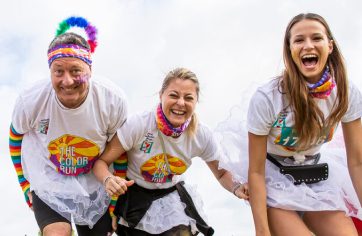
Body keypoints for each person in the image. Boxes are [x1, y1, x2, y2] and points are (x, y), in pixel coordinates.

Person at [93, 67, 249, 236]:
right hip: (133, 197)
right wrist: (108, 179)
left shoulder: (201, 134)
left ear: (196, 101)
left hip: (171, 198)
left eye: (188, 98)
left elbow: (222, 174)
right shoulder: (139, 124)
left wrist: (237, 187)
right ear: (161, 95)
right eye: (174, 95)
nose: (180, 103)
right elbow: (102, 162)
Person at [9, 16, 128, 236]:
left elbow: (120, 153)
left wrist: (115, 204)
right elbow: (15, 139)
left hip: (95, 182)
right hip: (48, 177)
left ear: (90, 70)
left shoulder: (112, 100)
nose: (67, 81)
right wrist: (26, 186)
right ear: (50, 72)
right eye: (58, 71)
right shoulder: (30, 100)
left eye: (76, 71)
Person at [246, 13, 362, 236]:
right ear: (289, 49)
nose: (308, 45)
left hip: (315, 172)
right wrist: (262, 231)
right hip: (273, 175)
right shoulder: (268, 98)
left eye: (316, 38)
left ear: (330, 46)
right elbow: (256, 172)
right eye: (299, 40)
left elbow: (357, 161)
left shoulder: (347, 93)